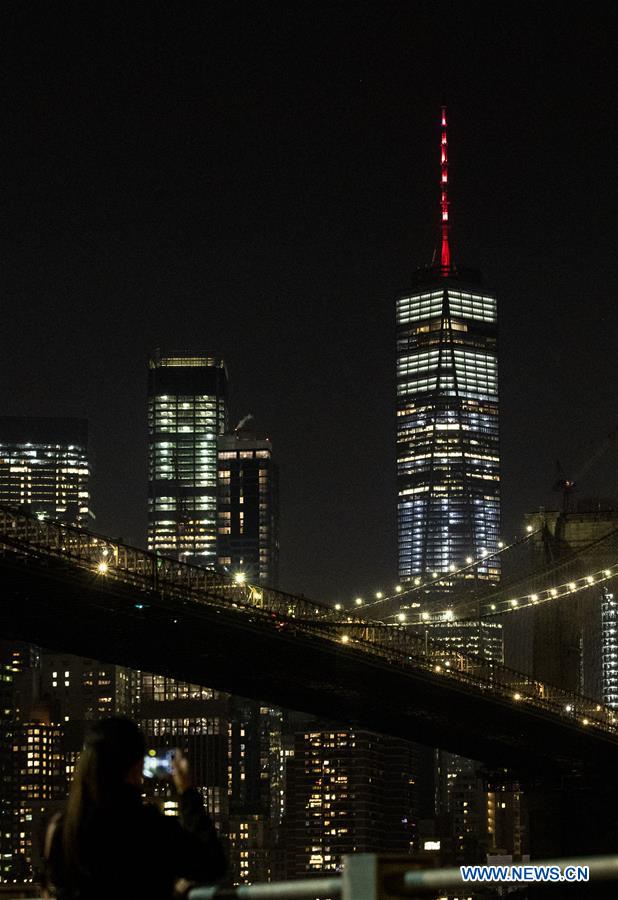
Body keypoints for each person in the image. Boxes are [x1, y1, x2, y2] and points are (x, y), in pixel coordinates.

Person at [43, 717, 226, 899]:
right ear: (137, 766)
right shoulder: (150, 828)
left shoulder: (62, 829)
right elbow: (213, 864)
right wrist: (186, 791)